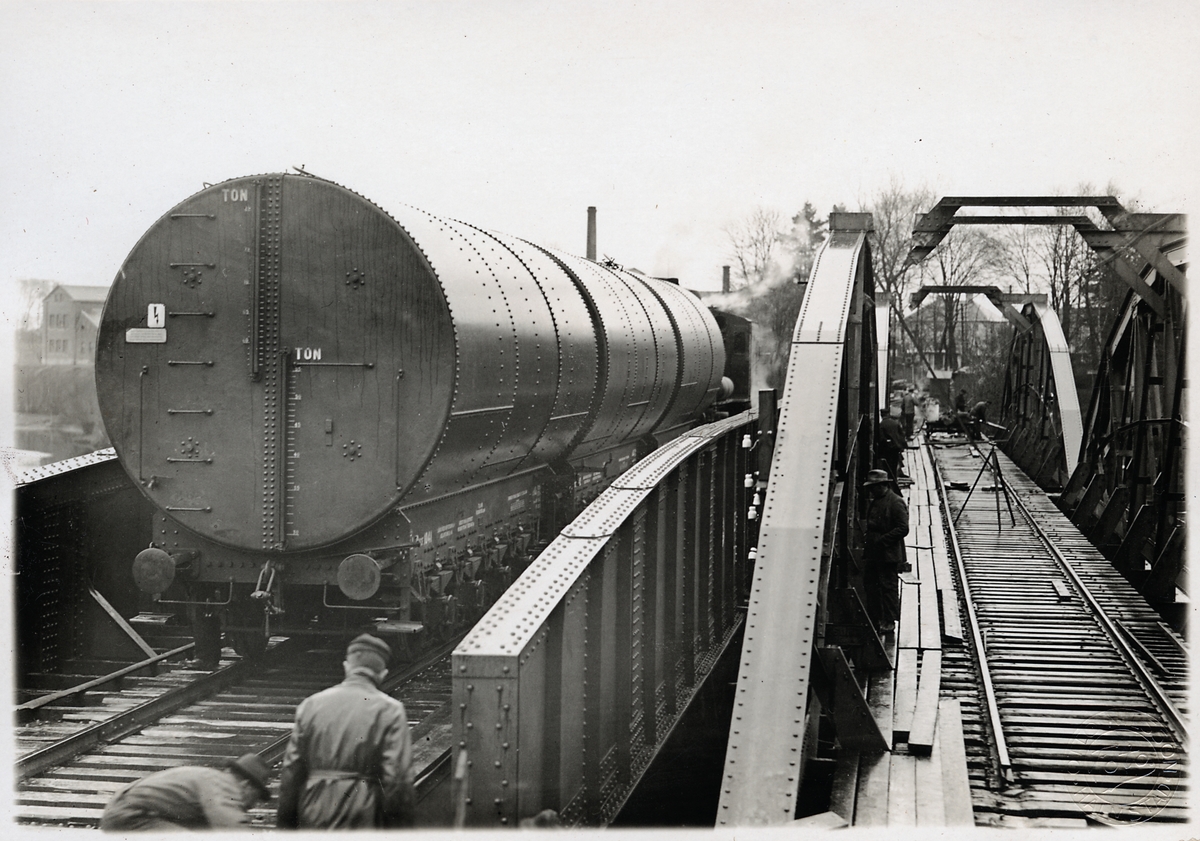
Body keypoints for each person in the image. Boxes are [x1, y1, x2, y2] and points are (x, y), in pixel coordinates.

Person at [277, 634, 416, 829]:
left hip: (314, 808)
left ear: (346, 667)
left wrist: (286, 826)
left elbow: (291, 771)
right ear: (383, 674)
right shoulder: (390, 710)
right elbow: (397, 778)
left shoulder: (311, 704)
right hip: (362, 812)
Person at [99, 753, 269, 831]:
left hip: (122, 812)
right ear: (247, 785)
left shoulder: (209, 777)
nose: (251, 806)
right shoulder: (224, 784)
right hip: (133, 817)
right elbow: (231, 828)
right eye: (255, 798)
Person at [861, 468, 909, 637]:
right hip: (874, 552)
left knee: (888, 588)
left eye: (873, 487)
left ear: (882, 486)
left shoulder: (895, 502)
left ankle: (889, 622)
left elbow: (903, 528)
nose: (871, 491)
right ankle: (876, 619)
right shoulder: (877, 500)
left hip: (887, 553)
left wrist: (883, 540)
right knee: (872, 586)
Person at [876, 409, 907, 481]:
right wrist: (902, 446)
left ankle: (889, 480)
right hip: (896, 447)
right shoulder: (895, 423)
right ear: (888, 414)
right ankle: (894, 479)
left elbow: (881, 438)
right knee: (894, 464)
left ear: (881, 415)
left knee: (887, 465)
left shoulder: (881, 425)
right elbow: (902, 435)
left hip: (887, 448)